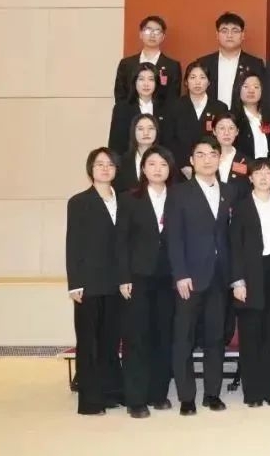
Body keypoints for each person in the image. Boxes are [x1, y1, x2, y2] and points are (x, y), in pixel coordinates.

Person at [165, 136, 235, 415]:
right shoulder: (179, 193)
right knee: (184, 338)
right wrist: (180, 274)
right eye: (201, 154)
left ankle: (212, 394)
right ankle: (187, 397)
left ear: (220, 159)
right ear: (192, 161)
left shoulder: (229, 191)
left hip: (220, 276)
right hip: (190, 278)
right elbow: (174, 237)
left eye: (213, 155)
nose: (207, 160)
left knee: (215, 338)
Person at [116, 145, 176, 418]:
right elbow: (121, 241)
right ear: (143, 169)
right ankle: (136, 398)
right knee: (137, 337)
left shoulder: (178, 197)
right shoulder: (130, 199)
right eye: (152, 164)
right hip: (138, 277)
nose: (157, 169)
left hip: (169, 277)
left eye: (163, 164)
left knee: (163, 336)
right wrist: (123, 276)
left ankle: (158, 393)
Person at [230, 159, 270, 408]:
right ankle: (254, 393)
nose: (264, 177)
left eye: (269, 173)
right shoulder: (241, 207)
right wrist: (238, 281)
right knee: (251, 335)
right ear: (250, 178)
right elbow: (234, 246)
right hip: (250, 275)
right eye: (259, 173)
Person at [67, 147, 124, 416]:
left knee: (110, 340)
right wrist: (75, 283)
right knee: (89, 342)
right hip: (88, 283)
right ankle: (90, 401)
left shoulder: (124, 200)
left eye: (110, 164)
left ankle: (110, 393)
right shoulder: (79, 202)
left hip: (116, 283)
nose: (105, 168)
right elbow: (73, 244)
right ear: (91, 169)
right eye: (99, 164)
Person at [196, 12, 266, 108]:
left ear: (243, 35)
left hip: (243, 116)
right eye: (224, 31)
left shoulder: (255, 64)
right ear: (217, 35)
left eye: (235, 31)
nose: (229, 35)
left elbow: (262, 98)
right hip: (211, 115)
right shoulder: (203, 63)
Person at [113, 16, 182, 104]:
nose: (152, 35)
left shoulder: (172, 66)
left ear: (163, 37)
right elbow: (120, 95)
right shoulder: (126, 64)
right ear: (141, 34)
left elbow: (173, 98)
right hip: (130, 112)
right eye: (148, 30)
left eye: (157, 31)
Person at [109, 62, 166, 156]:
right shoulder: (121, 109)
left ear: (156, 83)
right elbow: (116, 143)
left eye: (151, 79)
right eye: (141, 79)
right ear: (134, 82)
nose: (146, 84)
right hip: (129, 160)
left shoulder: (166, 109)